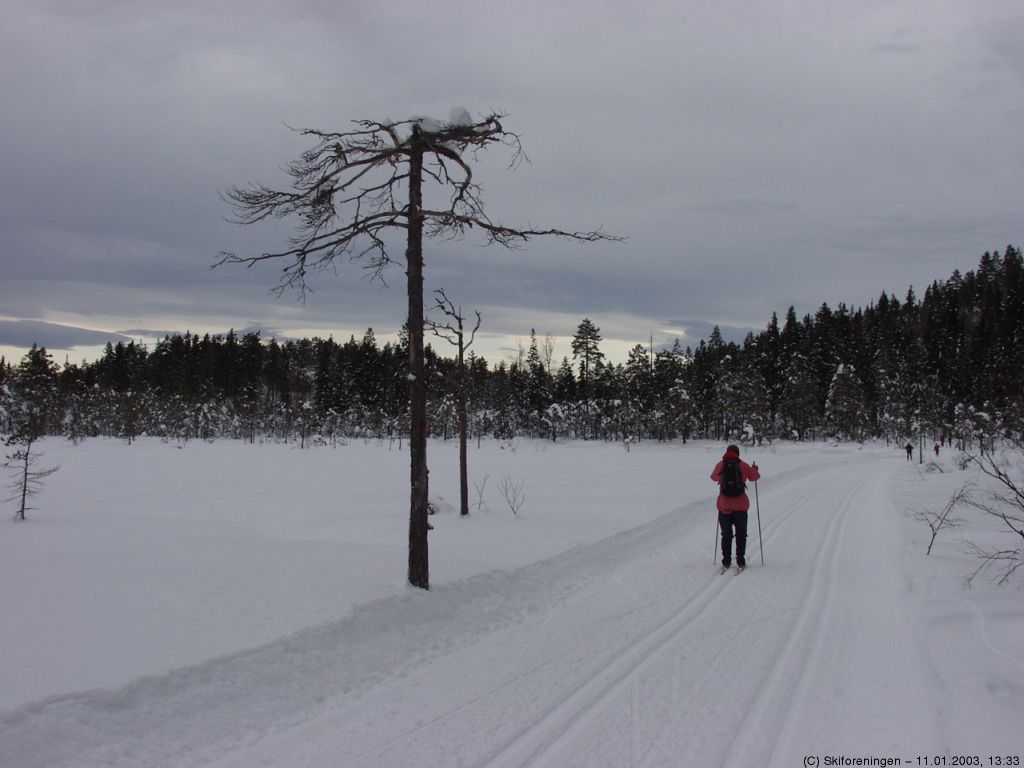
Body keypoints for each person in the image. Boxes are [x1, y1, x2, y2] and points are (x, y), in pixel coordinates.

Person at [710, 444, 761, 570]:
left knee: (726, 535)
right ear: (738, 453)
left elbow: (713, 477)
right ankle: (740, 561)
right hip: (740, 506)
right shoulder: (742, 465)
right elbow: (755, 477)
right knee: (741, 535)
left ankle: (726, 561)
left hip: (724, 506)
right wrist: (754, 469)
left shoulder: (721, 465)